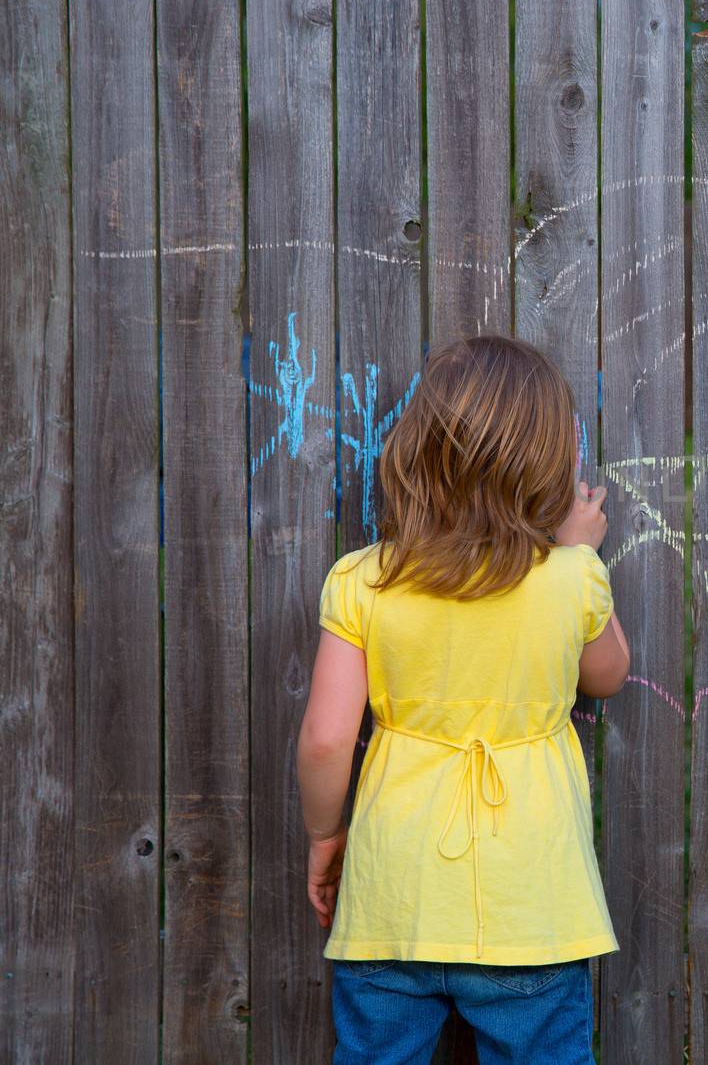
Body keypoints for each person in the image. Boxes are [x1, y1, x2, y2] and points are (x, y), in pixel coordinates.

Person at [296, 335, 629, 1064]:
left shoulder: (363, 580)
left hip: (391, 904)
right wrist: (577, 554)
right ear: (547, 465)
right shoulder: (571, 578)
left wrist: (326, 839)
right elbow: (606, 675)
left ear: (418, 449)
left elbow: (325, 739)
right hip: (532, 912)